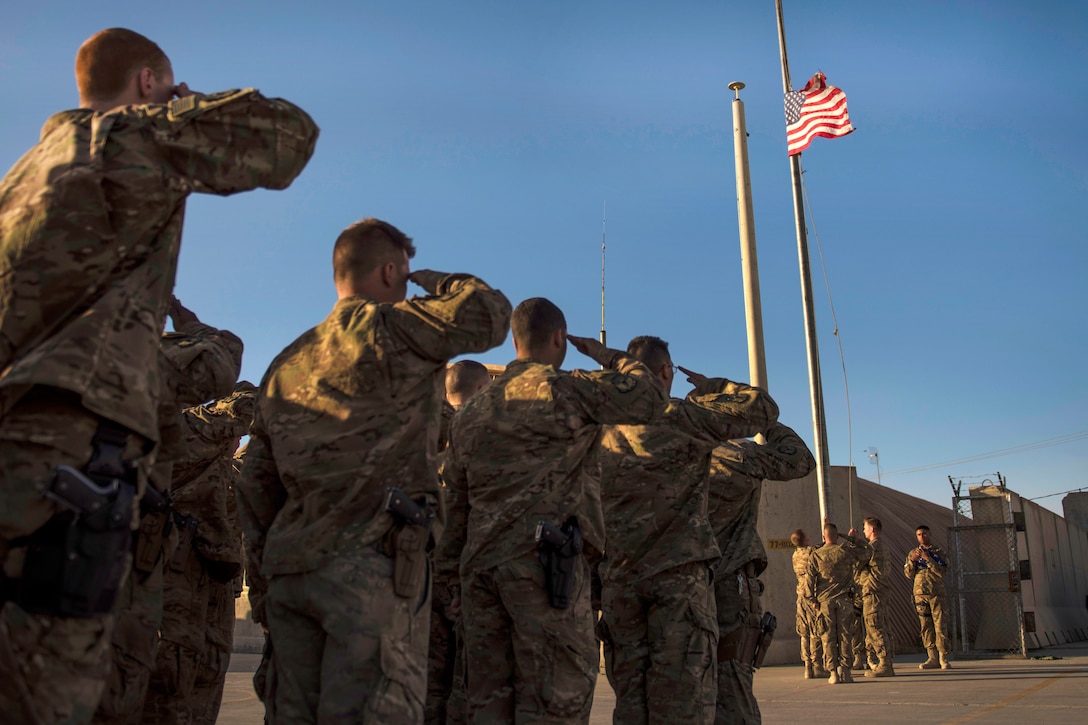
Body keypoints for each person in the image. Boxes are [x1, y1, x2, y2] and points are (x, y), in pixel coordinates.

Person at [0, 27, 317, 723]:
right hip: (75, 459)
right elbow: (287, 136)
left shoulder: (23, 176)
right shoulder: (134, 136)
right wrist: (188, 104)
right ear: (148, 82)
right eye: (166, 84)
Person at [237, 218, 511, 723]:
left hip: (292, 572)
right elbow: (489, 314)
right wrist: (435, 280)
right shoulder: (395, 330)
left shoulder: (287, 361)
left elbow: (257, 482)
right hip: (369, 573)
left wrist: (264, 580)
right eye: (402, 275)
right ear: (390, 272)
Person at [440, 297, 668, 723]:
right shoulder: (568, 390)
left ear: (514, 341)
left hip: (481, 577)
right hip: (545, 575)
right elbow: (650, 398)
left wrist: (452, 581)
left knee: (487, 707)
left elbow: (455, 504)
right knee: (554, 705)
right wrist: (608, 355)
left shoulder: (471, 412)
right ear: (560, 338)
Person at [595, 336, 780, 725]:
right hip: (677, 583)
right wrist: (714, 386)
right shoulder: (684, 418)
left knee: (630, 700)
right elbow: (763, 408)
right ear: (666, 372)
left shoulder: (600, 429)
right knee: (684, 702)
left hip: (619, 584)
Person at [94, 299, 244, 725]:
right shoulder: (186, 429)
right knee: (165, 686)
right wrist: (190, 325)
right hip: (163, 578)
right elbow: (240, 389)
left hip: (124, 564)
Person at [142, 383, 256, 724]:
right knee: (163, 697)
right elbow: (243, 409)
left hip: (210, 609)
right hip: (172, 602)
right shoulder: (182, 442)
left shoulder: (226, 471)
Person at [708, 422, 815, 724]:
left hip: (662, 589)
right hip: (727, 585)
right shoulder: (734, 454)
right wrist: (763, 422)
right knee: (731, 688)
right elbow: (801, 459)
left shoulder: (639, 455)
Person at [427, 360, 493, 725]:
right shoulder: (484, 436)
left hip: (421, 579)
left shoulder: (421, 430)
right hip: (468, 579)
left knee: (427, 683)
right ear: (483, 389)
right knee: (468, 686)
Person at [804, 523, 869, 684]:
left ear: (824, 536)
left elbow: (809, 581)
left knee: (828, 637)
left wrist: (812, 600)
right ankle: (846, 672)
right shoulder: (845, 552)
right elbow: (867, 550)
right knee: (845, 636)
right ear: (836, 535)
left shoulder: (816, 555)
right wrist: (848, 537)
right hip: (844, 600)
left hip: (824, 602)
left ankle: (833, 672)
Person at [904, 524, 951, 670]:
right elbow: (908, 574)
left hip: (936, 593)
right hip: (920, 594)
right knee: (926, 627)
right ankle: (932, 657)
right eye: (919, 534)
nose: (921, 537)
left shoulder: (938, 552)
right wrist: (913, 560)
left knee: (940, 626)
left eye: (924, 534)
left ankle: (943, 657)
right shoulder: (913, 552)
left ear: (930, 535)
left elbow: (942, 571)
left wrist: (928, 559)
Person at [856, 517, 895, 677]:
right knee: (882, 625)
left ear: (872, 529)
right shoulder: (882, 547)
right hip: (881, 592)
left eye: (865, 527)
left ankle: (885, 664)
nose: (864, 530)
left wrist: (855, 543)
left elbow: (856, 563)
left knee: (875, 627)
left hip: (872, 592)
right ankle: (884, 661)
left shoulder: (872, 548)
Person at [790, 529, 825, 679]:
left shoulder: (795, 555)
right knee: (815, 631)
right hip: (811, 595)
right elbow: (824, 547)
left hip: (800, 596)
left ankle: (807, 666)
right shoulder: (810, 552)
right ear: (804, 540)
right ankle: (817, 665)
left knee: (803, 632)